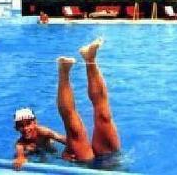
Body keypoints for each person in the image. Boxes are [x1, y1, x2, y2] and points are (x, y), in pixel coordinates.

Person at [13, 38, 120, 170]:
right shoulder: (20, 143)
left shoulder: (42, 131)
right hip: (88, 163)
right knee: (75, 130)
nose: (25, 128)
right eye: (21, 126)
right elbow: (19, 152)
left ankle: (89, 58)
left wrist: (69, 149)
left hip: (104, 160)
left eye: (28, 123)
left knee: (103, 116)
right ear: (17, 128)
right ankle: (64, 70)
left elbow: (60, 138)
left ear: (35, 122)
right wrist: (21, 157)